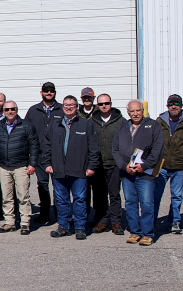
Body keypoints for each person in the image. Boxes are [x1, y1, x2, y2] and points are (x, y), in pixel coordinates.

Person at [43, 96, 99, 239]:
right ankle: (64, 226)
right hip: (58, 169)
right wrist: (47, 164)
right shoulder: (54, 124)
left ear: (76, 107)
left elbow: (93, 148)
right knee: (61, 199)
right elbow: (46, 146)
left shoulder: (86, 124)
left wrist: (91, 166)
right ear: (62, 107)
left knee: (80, 198)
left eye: (72, 105)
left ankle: (80, 227)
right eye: (66, 105)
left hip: (79, 169)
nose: (69, 107)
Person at [114, 100, 164, 246]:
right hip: (127, 173)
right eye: (132, 111)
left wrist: (145, 165)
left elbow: (158, 148)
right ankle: (135, 232)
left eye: (138, 110)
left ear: (143, 110)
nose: (135, 113)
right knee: (130, 203)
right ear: (128, 112)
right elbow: (115, 150)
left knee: (147, 203)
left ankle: (148, 233)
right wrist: (124, 166)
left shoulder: (153, 125)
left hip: (145, 173)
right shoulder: (122, 127)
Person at [0, 100, 36, 234]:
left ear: (17, 110)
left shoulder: (26, 126)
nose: (10, 112)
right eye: (7, 109)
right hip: (4, 167)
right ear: (3, 112)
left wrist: (32, 164)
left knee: (23, 196)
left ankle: (25, 223)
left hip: (21, 166)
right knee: (7, 197)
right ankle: (9, 222)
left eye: (13, 109)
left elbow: (34, 145)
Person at [155, 94, 183, 235]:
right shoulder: (159, 121)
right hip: (161, 165)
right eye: (171, 104)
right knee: (156, 194)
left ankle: (175, 222)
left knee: (177, 195)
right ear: (167, 106)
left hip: (179, 166)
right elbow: (154, 142)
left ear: (181, 106)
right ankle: (152, 221)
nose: (174, 106)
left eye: (176, 104)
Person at [26, 82, 63, 225]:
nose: (49, 93)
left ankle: (61, 215)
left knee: (59, 185)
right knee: (42, 185)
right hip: (40, 155)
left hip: (58, 155)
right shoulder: (33, 110)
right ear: (41, 93)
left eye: (51, 91)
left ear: (55, 92)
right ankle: (45, 214)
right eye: (46, 91)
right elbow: (26, 131)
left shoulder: (61, 110)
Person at [89, 94, 126, 235]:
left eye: (107, 103)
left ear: (111, 104)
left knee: (114, 194)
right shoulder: (92, 121)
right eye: (101, 104)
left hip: (114, 164)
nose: (104, 106)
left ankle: (116, 222)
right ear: (97, 105)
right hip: (98, 164)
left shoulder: (121, 121)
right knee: (99, 194)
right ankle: (102, 221)